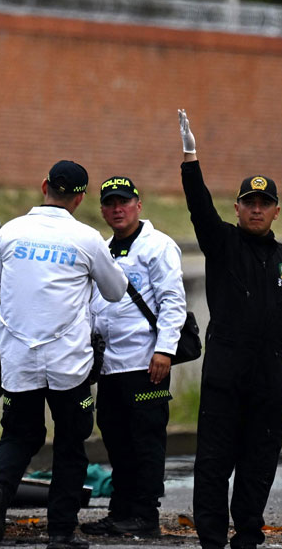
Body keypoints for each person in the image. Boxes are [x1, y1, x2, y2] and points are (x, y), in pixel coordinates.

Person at [177, 110, 282, 549]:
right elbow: (199, 209)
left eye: (265, 203)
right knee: (213, 459)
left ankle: (248, 533)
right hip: (226, 365)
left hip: (270, 371)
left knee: (260, 458)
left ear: (276, 210)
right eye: (250, 202)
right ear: (239, 207)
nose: (257, 209)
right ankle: (211, 537)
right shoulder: (222, 243)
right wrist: (191, 160)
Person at [0, 160, 128, 549]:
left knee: (20, 434)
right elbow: (115, 291)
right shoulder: (87, 239)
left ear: (43, 185)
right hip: (69, 364)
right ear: (80, 198)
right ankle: (60, 531)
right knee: (71, 444)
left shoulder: (10, 233)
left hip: (19, 361)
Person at [80, 176, 187, 538]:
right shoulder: (102, 248)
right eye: (110, 203)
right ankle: (120, 510)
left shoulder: (158, 246)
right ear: (102, 209)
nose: (117, 208)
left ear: (138, 205)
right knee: (115, 438)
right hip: (110, 366)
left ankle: (145, 515)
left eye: (124, 201)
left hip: (147, 364)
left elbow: (173, 302)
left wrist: (164, 350)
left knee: (146, 440)